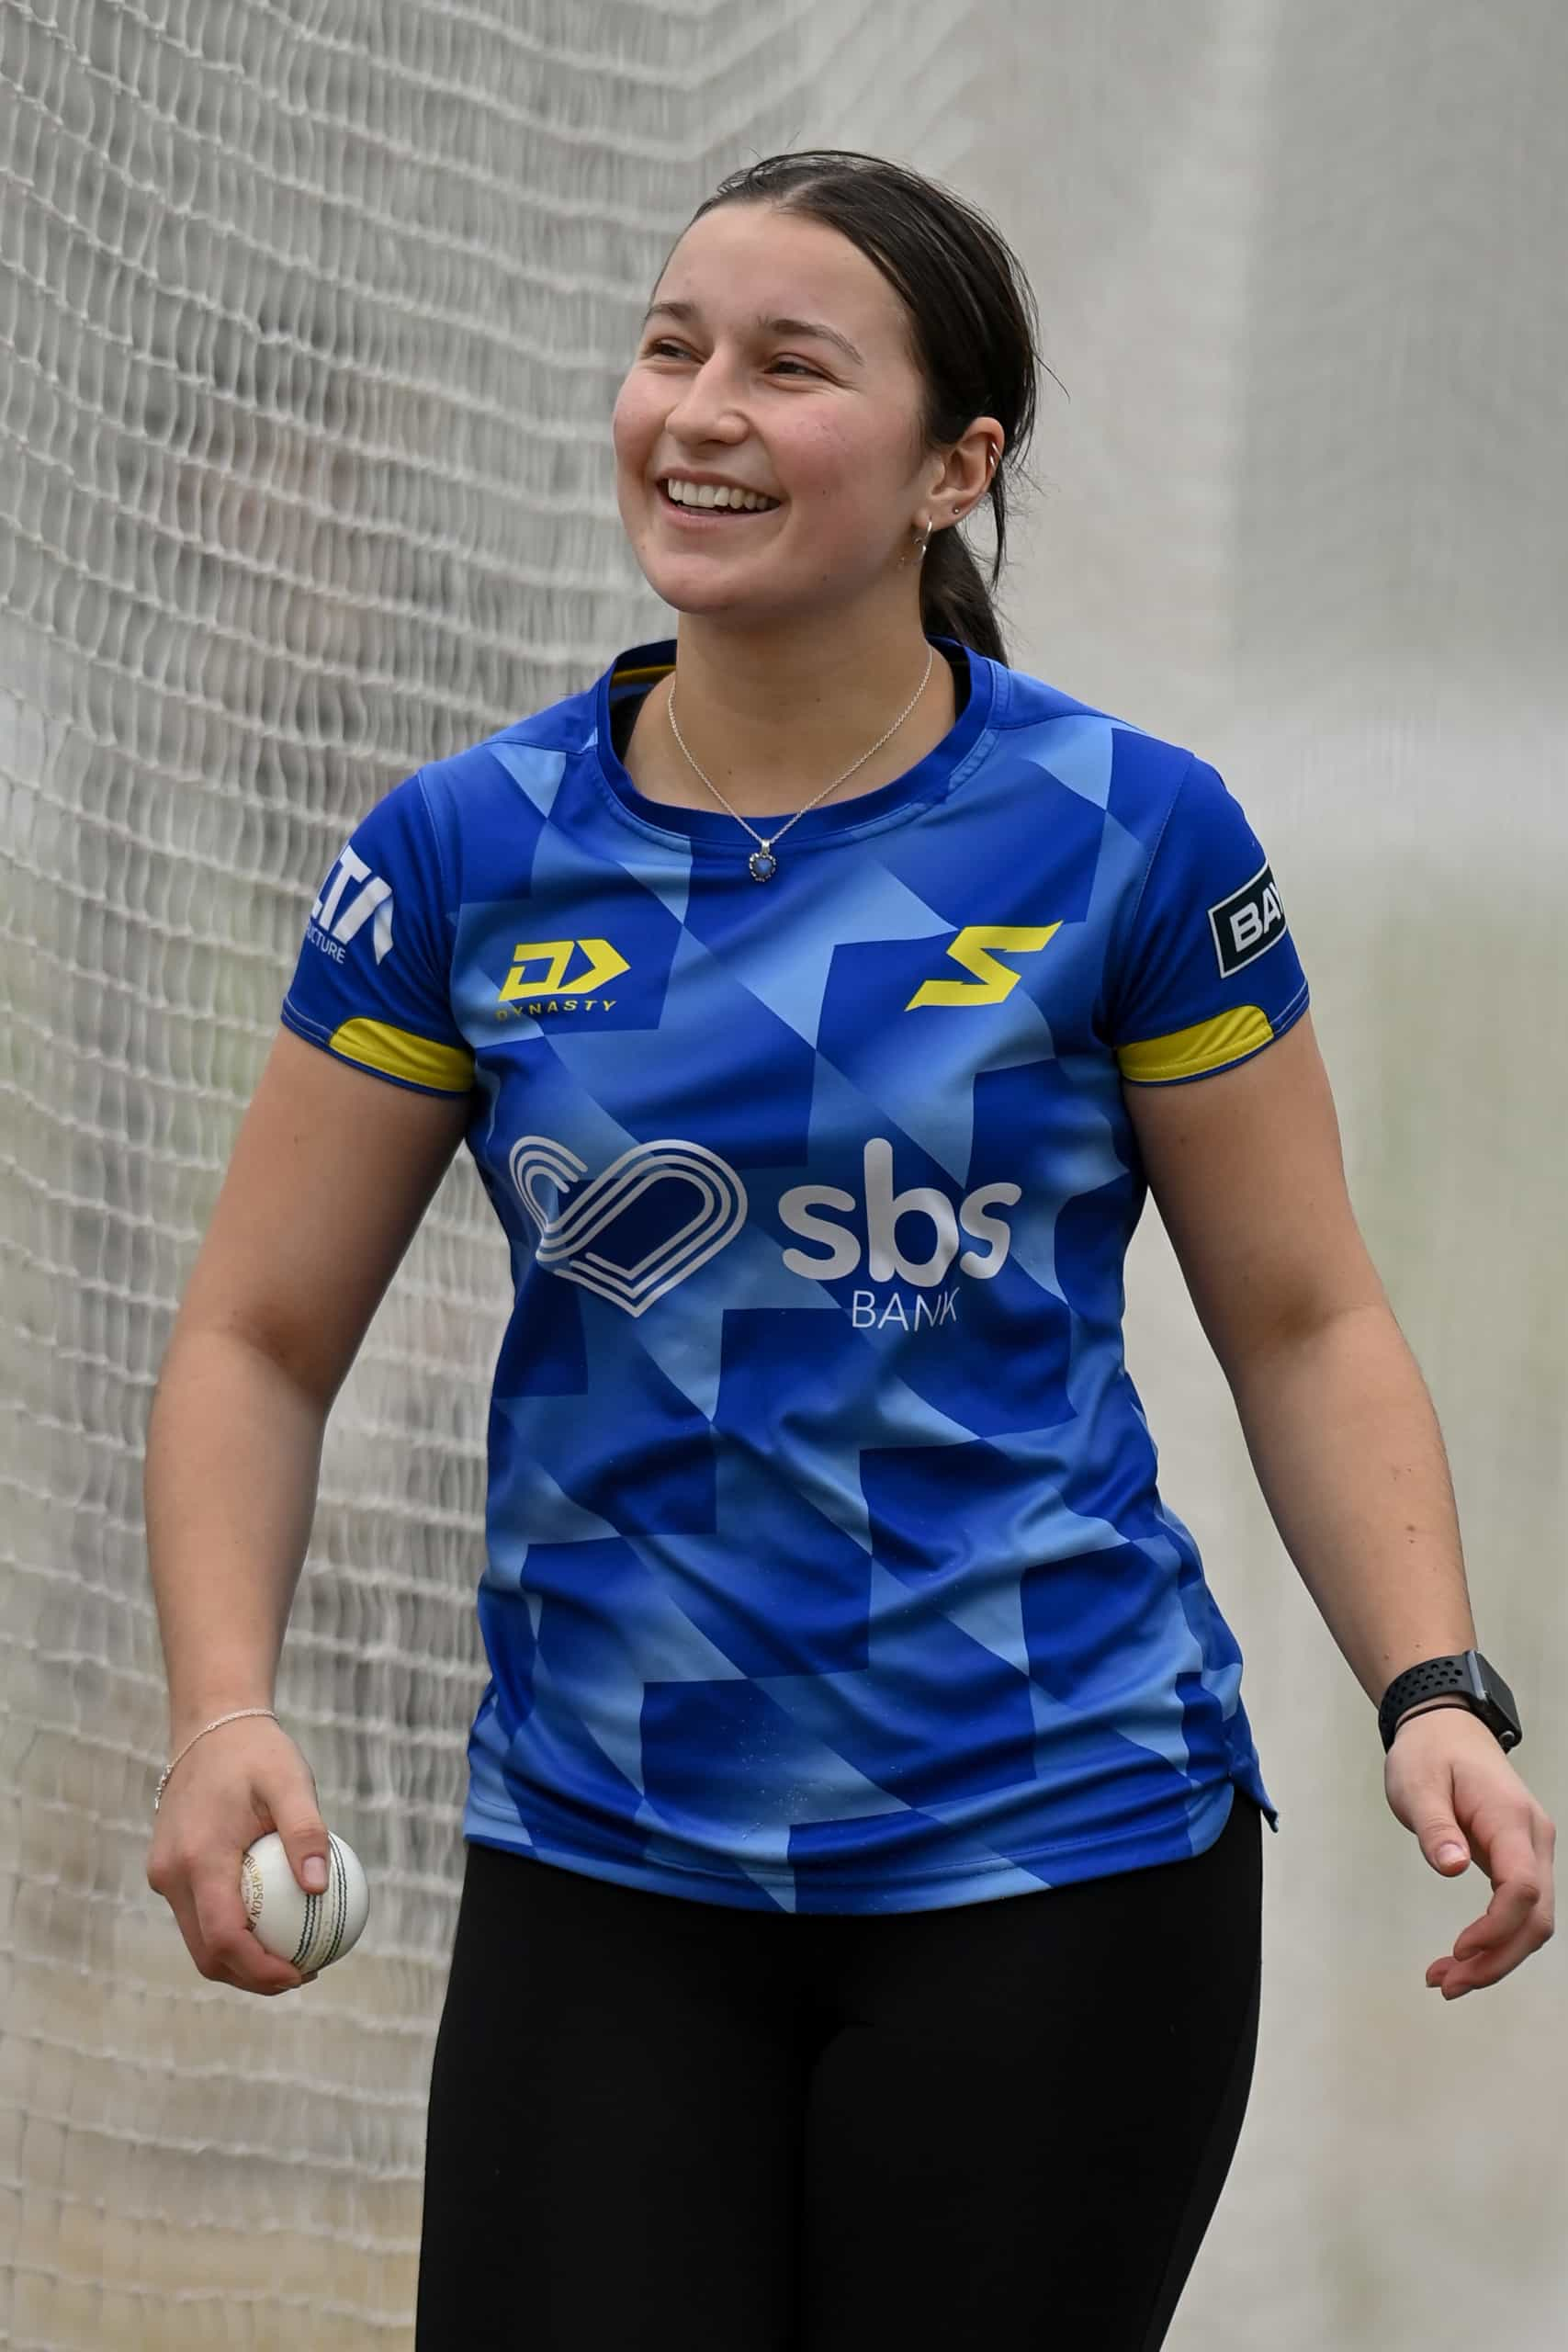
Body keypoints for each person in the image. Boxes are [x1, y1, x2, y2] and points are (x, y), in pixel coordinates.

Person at [144, 150, 1554, 2350]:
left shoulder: (1127, 830)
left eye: (790, 367)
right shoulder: (462, 851)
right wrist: (223, 1702)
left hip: (1062, 1854)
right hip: (602, 1861)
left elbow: (1299, 1315)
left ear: (951, 469)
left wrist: (1431, 1682)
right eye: (670, 346)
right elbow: (254, 1334)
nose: (698, 409)